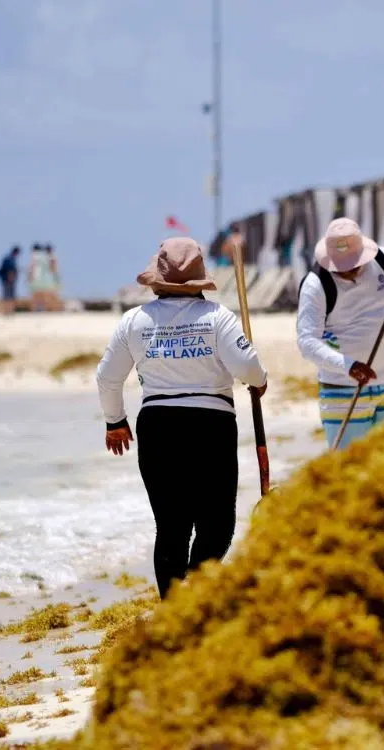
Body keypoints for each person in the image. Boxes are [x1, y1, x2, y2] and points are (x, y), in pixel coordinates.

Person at [96, 237, 268, 600]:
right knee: (217, 526)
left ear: (156, 281)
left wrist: (115, 421)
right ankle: (194, 592)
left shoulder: (134, 321)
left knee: (172, 527)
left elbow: (107, 378)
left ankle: (175, 607)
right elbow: (248, 367)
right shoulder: (217, 317)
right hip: (211, 426)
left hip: (158, 425)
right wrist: (260, 382)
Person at [296, 217, 384, 450]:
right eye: (343, 266)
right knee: (350, 469)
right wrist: (348, 366)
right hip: (343, 391)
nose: (351, 270)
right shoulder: (315, 285)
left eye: (355, 263)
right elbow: (307, 342)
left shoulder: (383, 260)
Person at [28, 244, 59, 312]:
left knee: (38, 295)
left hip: (39, 279)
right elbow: (53, 268)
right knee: (48, 295)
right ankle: (50, 309)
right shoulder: (48, 257)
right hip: (47, 279)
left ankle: (37, 309)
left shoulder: (36, 257)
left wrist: (30, 276)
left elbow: (32, 267)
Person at [0, 246, 21, 315]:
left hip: (5, 280)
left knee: (6, 296)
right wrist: (11, 280)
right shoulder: (11, 259)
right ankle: (9, 311)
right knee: (9, 297)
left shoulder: (7, 258)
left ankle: (7, 311)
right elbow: (10, 271)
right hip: (8, 281)